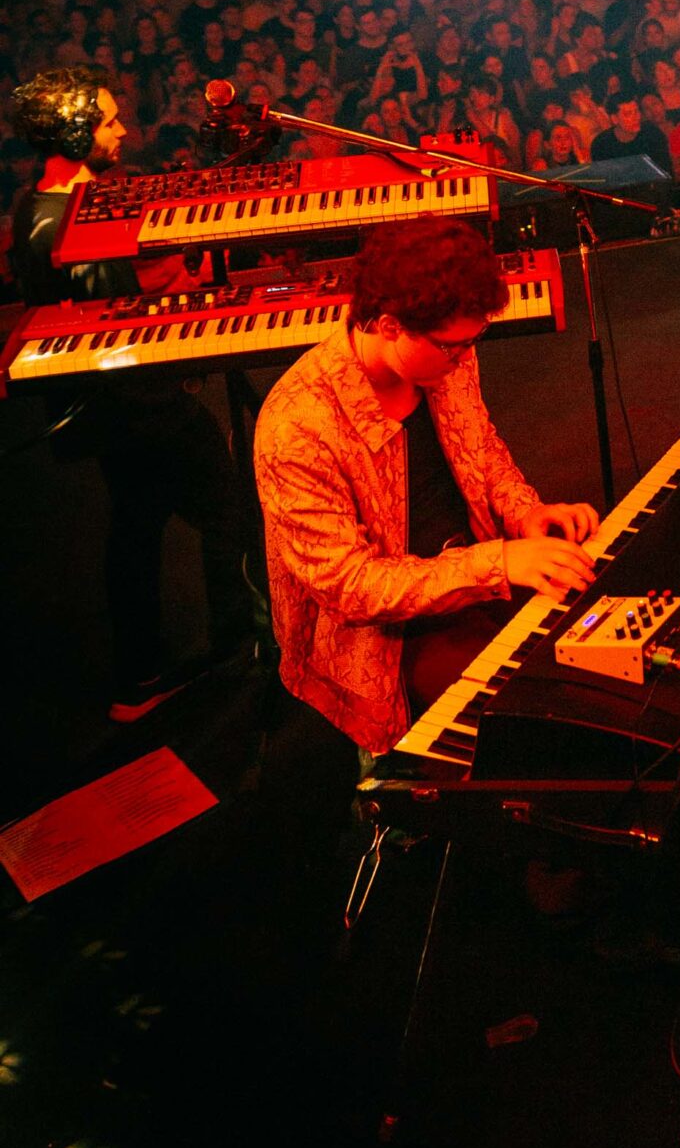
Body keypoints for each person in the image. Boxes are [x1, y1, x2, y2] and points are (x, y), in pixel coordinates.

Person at [251, 217, 599, 760]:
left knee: (597, 649)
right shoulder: (296, 427)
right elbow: (351, 588)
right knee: (529, 723)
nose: (464, 359)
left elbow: (481, 448)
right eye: (452, 348)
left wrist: (525, 512)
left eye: (472, 343)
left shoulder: (445, 355)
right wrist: (497, 564)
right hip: (387, 638)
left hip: (476, 575)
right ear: (390, 326)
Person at [9, 64, 257, 721]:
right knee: (228, 511)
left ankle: (137, 678)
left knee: (136, 528)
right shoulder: (77, 219)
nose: (122, 131)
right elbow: (116, 326)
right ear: (75, 133)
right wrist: (183, 341)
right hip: (138, 404)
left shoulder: (33, 204)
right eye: (108, 122)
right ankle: (241, 652)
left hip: (97, 410)